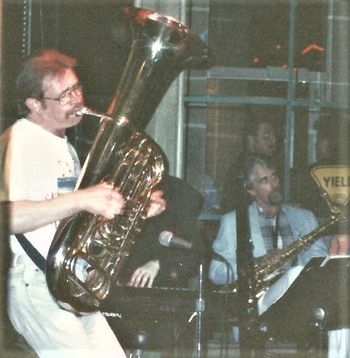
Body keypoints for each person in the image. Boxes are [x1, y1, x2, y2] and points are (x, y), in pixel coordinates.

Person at [0, 49, 166, 358]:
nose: (77, 100)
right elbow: (8, 217)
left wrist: (133, 207)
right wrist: (83, 197)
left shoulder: (66, 149)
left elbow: (73, 216)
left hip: (69, 283)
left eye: (77, 88)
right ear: (34, 104)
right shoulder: (21, 139)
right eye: (64, 95)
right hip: (36, 286)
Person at [209, 157, 333, 353]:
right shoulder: (233, 221)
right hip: (258, 302)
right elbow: (216, 272)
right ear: (251, 190)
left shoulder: (305, 217)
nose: (274, 184)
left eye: (274, 177)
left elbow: (320, 263)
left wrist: (304, 250)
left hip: (299, 299)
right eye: (264, 181)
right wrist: (257, 262)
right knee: (296, 274)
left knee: (302, 276)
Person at [221, 114, 278, 213]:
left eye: (274, 136)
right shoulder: (242, 170)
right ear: (251, 140)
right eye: (266, 136)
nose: (273, 140)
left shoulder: (264, 165)